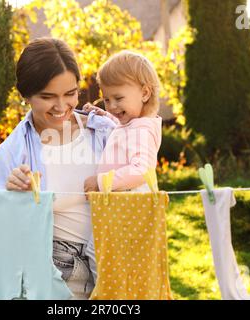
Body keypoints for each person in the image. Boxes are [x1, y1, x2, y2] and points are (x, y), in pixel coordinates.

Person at [0, 37, 116, 299]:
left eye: (70, 94)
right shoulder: (13, 152)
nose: (61, 107)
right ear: (25, 95)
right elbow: (3, 239)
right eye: (48, 97)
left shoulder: (103, 133)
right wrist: (15, 199)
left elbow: (140, 186)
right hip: (55, 272)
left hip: (111, 261)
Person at [83, 50, 163, 280]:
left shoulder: (142, 131)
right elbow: (120, 129)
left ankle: (113, 297)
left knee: (105, 261)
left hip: (128, 210)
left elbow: (143, 169)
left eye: (118, 99)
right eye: (107, 100)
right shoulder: (133, 124)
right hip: (118, 208)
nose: (112, 106)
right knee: (99, 256)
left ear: (145, 93)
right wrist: (103, 115)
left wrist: (101, 182)